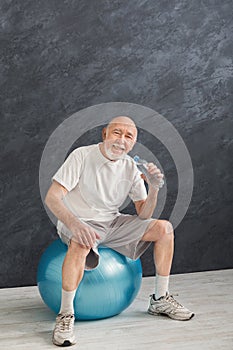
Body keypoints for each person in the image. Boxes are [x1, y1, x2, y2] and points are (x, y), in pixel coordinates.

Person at [45, 116, 194, 347]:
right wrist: (75, 225)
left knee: (163, 228)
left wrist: (153, 187)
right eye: (117, 133)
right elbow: (52, 197)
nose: (121, 140)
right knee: (81, 242)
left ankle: (160, 299)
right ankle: (65, 315)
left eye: (128, 136)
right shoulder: (82, 156)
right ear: (104, 134)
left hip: (112, 223)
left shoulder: (130, 167)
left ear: (133, 143)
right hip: (80, 220)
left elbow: (144, 214)